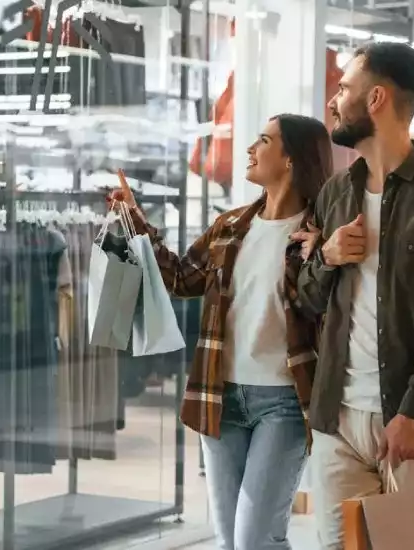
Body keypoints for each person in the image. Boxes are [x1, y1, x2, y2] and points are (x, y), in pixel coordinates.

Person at [290, 42, 414, 549]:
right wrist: (327, 257)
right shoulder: (336, 193)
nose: (334, 101)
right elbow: (308, 302)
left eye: (343, 89)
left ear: (376, 98)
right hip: (339, 419)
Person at [109, 114, 334, 549]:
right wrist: (136, 222)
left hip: (285, 403)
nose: (250, 148)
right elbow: (180, 279)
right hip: (220, 395)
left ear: (291, 160)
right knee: (232, 540)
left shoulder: (316, 236)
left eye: (263, 140)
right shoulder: (230, 227)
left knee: (254, 540)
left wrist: (326, 254)